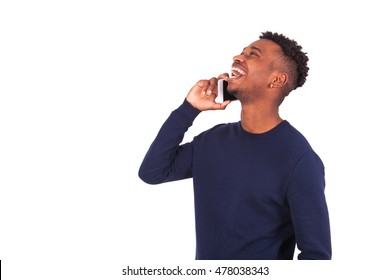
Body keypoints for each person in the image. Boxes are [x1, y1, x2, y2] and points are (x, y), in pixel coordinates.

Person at [138, 31, 332, 260]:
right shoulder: (212, 141)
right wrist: (189, 108)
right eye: (241, 52)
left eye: (253, 54)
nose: (237, 57)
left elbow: (316, 255)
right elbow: (152, 172)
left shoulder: (299, 160)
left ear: (277, 80)